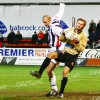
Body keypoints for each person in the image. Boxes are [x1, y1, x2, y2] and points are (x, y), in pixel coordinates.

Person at [30, 18, 88, 98]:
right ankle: (39, 73)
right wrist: (64, 34)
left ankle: (61, 93)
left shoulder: (84, 36)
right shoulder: (70, 30)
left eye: (81, 24)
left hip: (72, 56)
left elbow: (81, 49)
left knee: (65, 73)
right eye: (78, 23)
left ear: (83, 26)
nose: (79, 25)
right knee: (51, 54)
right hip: (64, 52)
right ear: (76, 23)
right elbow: (62, 39)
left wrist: (76, 42)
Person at [30, 3, 66, 97]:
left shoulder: (54, 28)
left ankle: (39, 73)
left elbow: (64, 34)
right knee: (49, 71)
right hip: (54, 49)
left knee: (49, 61)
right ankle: (54, 90)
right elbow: (60, 13)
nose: (44, 24)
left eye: (45, 22)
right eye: (43, 22)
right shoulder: (54, 19)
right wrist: (62, 5)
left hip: (57, 50)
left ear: (49, 20)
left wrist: (63, 48)